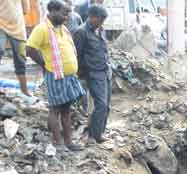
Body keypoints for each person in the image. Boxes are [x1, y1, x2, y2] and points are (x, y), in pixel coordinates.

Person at [27, 0, 86, 151]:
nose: (67, 17)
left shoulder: (62, 29)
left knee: (66, 109)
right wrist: (44, 65)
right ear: (52, 11)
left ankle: (69, 142)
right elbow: (30, 49)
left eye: (68, 13)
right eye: (64, 13)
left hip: (68, 76)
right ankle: (58, 143)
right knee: (55, 109)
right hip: (56, 76)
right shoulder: (42, 29)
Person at [73, 4, 111, 143]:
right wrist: (82, 74)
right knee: (101, 105)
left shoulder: (100, 29)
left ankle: (99, 131)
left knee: (106, 105)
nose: (101, 24)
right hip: (93, 73)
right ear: (91, 16)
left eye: (103, 21)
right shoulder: (81, 32)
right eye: (99, 20)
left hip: (105, 70)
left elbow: (104, 49)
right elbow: (77, 54)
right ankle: (94, 136)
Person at [0, 0, 32, 96]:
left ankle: (24, 90)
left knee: (21, 58)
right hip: (1, 26)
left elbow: (26, 10)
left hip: (19, 28)